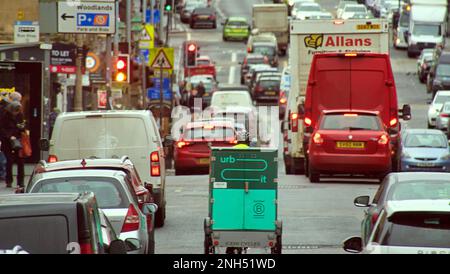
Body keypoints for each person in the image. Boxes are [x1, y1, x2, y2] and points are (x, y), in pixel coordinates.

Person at [0, 101, 26, 188]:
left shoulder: (20, 115)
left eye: (17, 111)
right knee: (9, 161)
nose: (16, 113)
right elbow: (2, 128)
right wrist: (9, 136)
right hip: (7, 141)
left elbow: (22, 126)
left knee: (20, 161)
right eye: (15, 111)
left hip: (17, 140)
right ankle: (9, 180)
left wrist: (22, 128)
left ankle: (20, 181)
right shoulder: (5, 115)